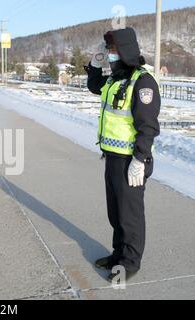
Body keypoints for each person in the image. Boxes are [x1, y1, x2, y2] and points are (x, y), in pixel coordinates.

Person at [85, 27, 161, 282]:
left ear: (126, 50)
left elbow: (148, 126)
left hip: (131, 160)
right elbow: (95, 86)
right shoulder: (115, 78)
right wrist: (94, 64)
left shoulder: (143, 82)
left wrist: (140, 159)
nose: (109, 54)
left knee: (130, 216)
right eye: (108, 50)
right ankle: (118, 254)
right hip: (112, 157)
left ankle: (130, 263)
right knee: (115, 212)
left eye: (113, 50)